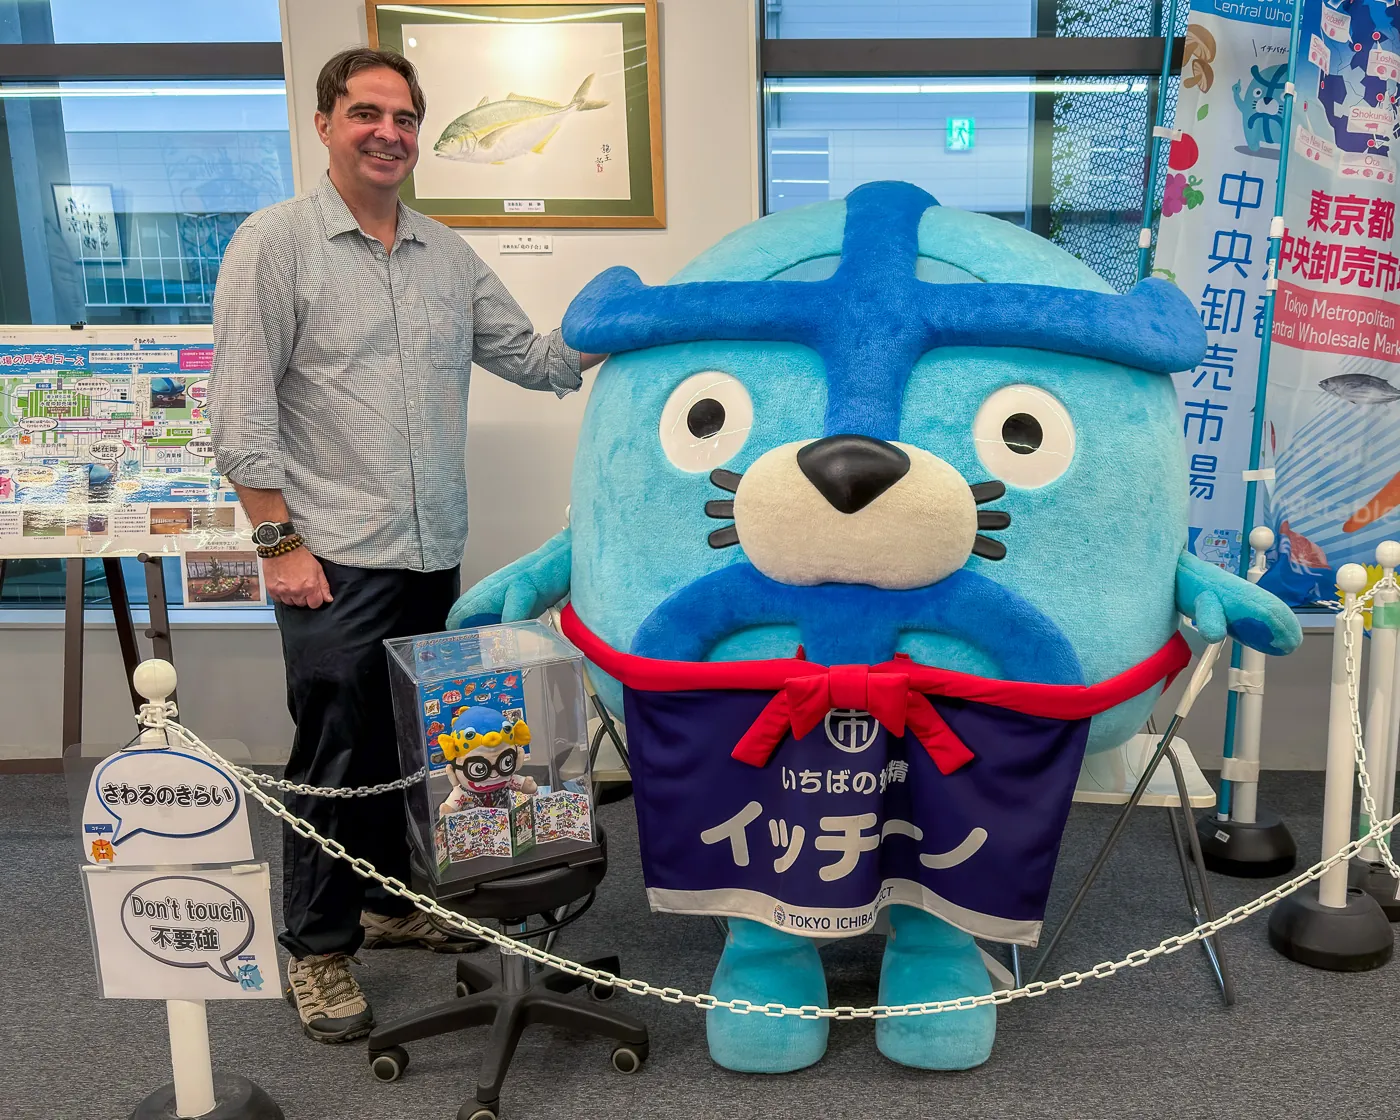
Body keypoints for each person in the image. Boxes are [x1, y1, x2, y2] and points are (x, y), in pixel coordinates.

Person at [208, 46, 604, 1044]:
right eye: (366, 113)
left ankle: (389, 904)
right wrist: (278, 543)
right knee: (336, 755)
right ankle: (318, 949)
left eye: (404, 117)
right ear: (325, 124)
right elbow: (240, 414)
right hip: (331, 554)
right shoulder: (276, 243)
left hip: (430, 553)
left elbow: (536, 360)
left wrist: (629, 321)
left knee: (410, 744)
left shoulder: (446, 256)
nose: (388, 133)